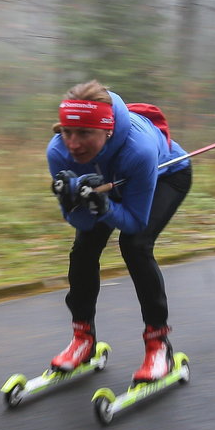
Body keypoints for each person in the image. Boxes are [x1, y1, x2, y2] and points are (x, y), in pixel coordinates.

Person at [46, 80, 192, 383]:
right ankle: (83, 340)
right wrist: (74, 201)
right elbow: (82, 224)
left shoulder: (137, 151)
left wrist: (104, 207)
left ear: (107, 130)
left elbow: (136, 221)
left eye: (84, 133)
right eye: (67, 132)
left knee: (135, 245)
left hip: (166, 176)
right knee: (84, 248)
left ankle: (158, 346)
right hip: (109, 180)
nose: (73, 144)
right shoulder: (58, 153)